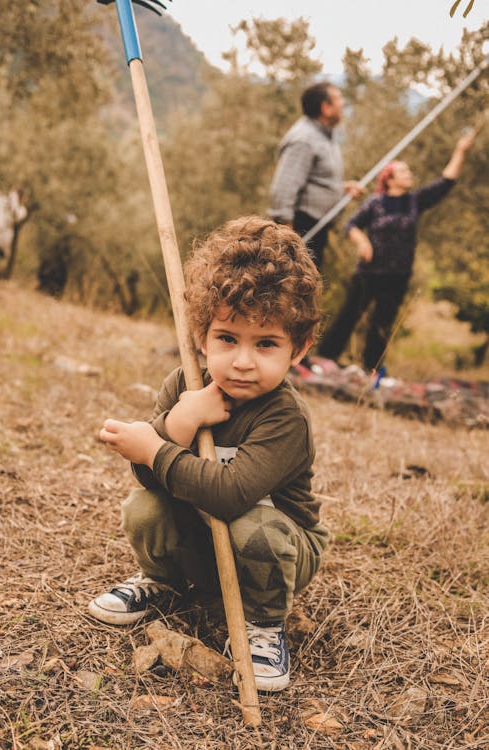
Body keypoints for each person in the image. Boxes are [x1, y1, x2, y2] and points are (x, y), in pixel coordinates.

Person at [88, 216, 330, 693]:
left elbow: (233, 494)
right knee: (144, 508)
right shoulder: (184, 385)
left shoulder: (284, 417)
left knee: (253, 526)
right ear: (201, 336)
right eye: (227, 338)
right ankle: (166, 581)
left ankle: (264, 624)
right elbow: (149, 477)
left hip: (279, 549)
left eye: (266, 344)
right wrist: (179, 422)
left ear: (297, 349)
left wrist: (156, 445)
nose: (242, 361)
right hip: (204, 538)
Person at [316, 131, 476, 372]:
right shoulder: (375, 202)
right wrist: (362, 242)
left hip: (398, 274)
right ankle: (325, 359)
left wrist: (460, 151)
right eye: (404, 171)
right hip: (369, 272)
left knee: (382, 323)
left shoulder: (414, 201)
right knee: (349, 315)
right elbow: (351, 225)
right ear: (389, 178)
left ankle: (371, 369)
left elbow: (446, 182)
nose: (409, 174)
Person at [268, 81, 363, 269]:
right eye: (339, 99)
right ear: (326, 108)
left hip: (317, 226)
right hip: (301, 227)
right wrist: (287, 236)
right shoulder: (304, 139)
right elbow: (283, 189)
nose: (343, 104)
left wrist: (340, 188)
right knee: (297, 288)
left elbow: (313, 179)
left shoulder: (325, 135)